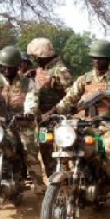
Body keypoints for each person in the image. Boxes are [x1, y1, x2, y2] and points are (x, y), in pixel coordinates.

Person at [39, 39, 110, 203]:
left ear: (109, 60)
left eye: (101, 58)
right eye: (94, 58)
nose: (97, 61)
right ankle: (64, 186)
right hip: (85, 127)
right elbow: (69, 100)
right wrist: (52, 112)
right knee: (63, 147)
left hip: (106, 128)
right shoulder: (84, 79)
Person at [0, 46, 45, 195]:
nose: (7, 70)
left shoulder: (28, 83)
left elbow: (32, 101)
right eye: (4, 66)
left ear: (18, 66)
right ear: (0, 66)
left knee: (30, 151)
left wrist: (29, 113)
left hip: (22, 125)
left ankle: (40, 190)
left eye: (11, 67)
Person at [26, 37, 73, 178]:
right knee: (45, 151)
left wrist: (56, 110)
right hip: (42, 121)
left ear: (43, 55)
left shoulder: (60, 70)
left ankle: (64, 184)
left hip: (58, 120)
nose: (34, 60)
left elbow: (71, 95)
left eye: (36, 57)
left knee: (61, 154)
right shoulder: (41, 69)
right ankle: (53, 186)